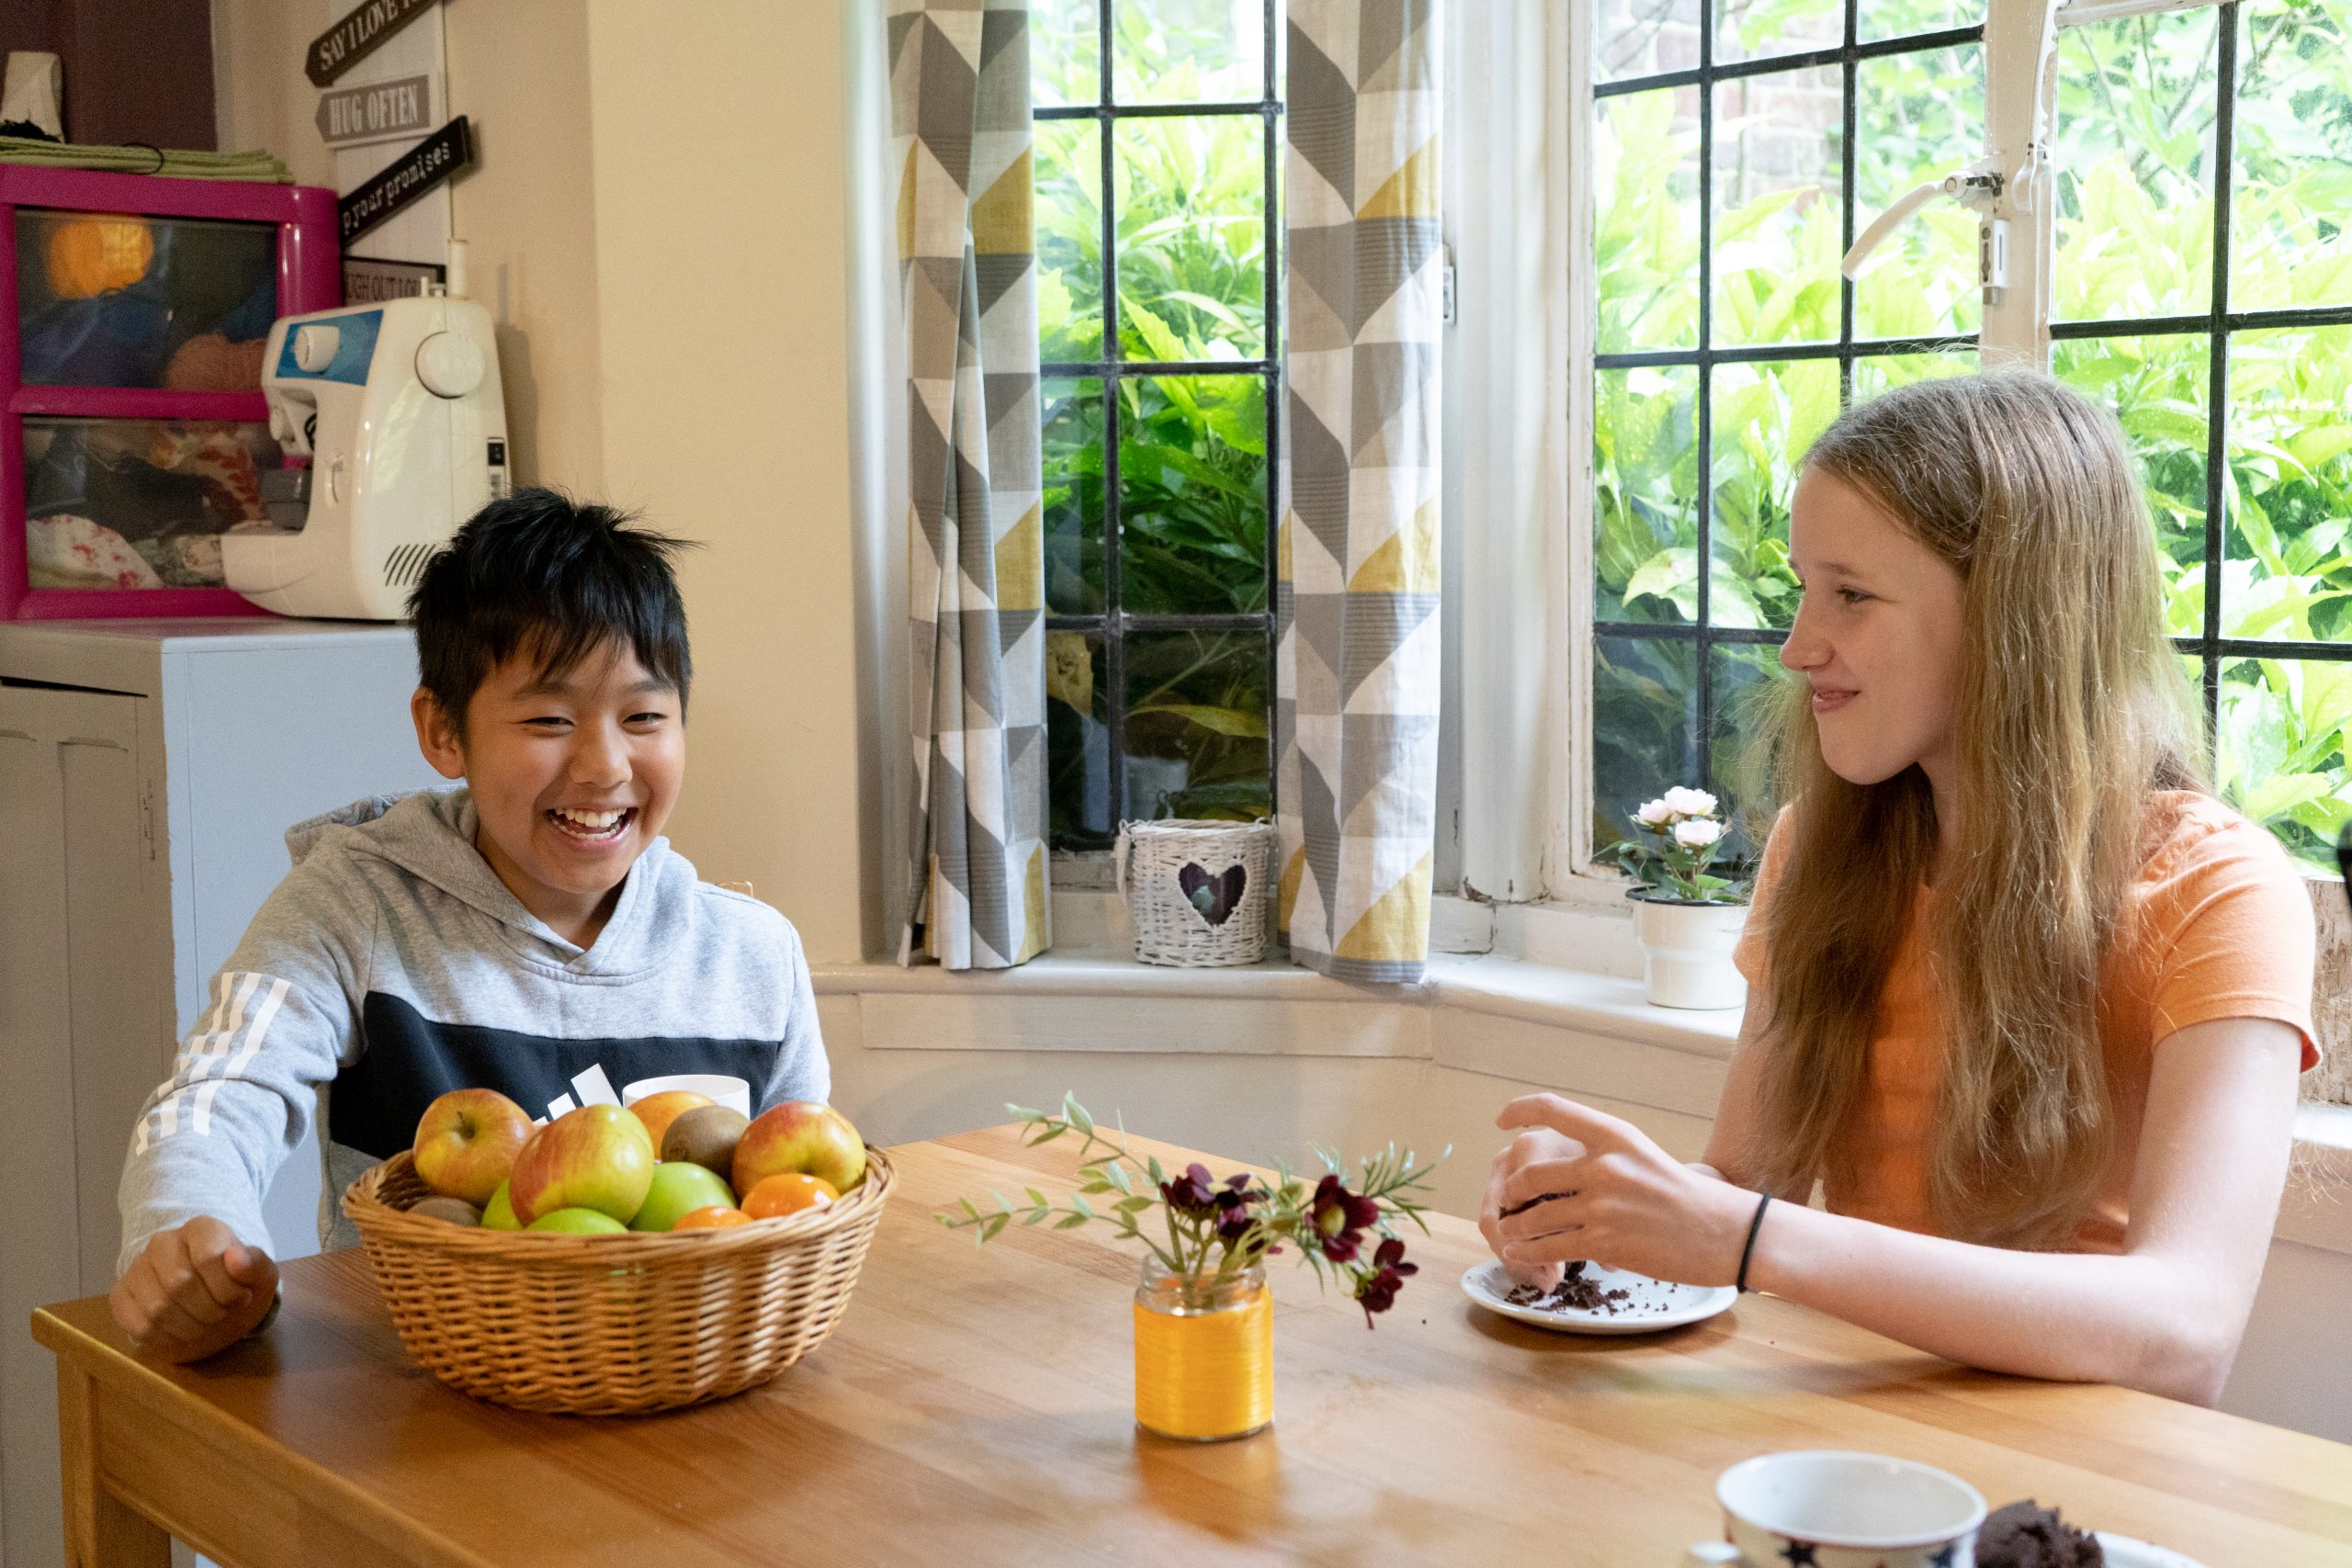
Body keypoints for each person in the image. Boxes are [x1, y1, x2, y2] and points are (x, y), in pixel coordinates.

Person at [1482, 375, 2319, 1404]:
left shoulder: (2220, 891)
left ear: (2017, 614)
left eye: (1851, 593)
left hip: (2078, 1485)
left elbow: (2183, 1331)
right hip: (1849, 1432)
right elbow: (1745, 1193)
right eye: (1801, 588)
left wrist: (1743, 1237)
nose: (1796, 647)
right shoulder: (1815, 849)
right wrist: (1598, 1206)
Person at [109, 490, 829, 1362]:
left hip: (680, 1396)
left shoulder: (753, 957)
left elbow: (797, 1211)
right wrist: (193, 1227)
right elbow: (218, 1096)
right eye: (548, 719)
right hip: (418, 1404)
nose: (604, 766)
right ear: (443, 731)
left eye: (644, 716)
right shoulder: (356, 905)